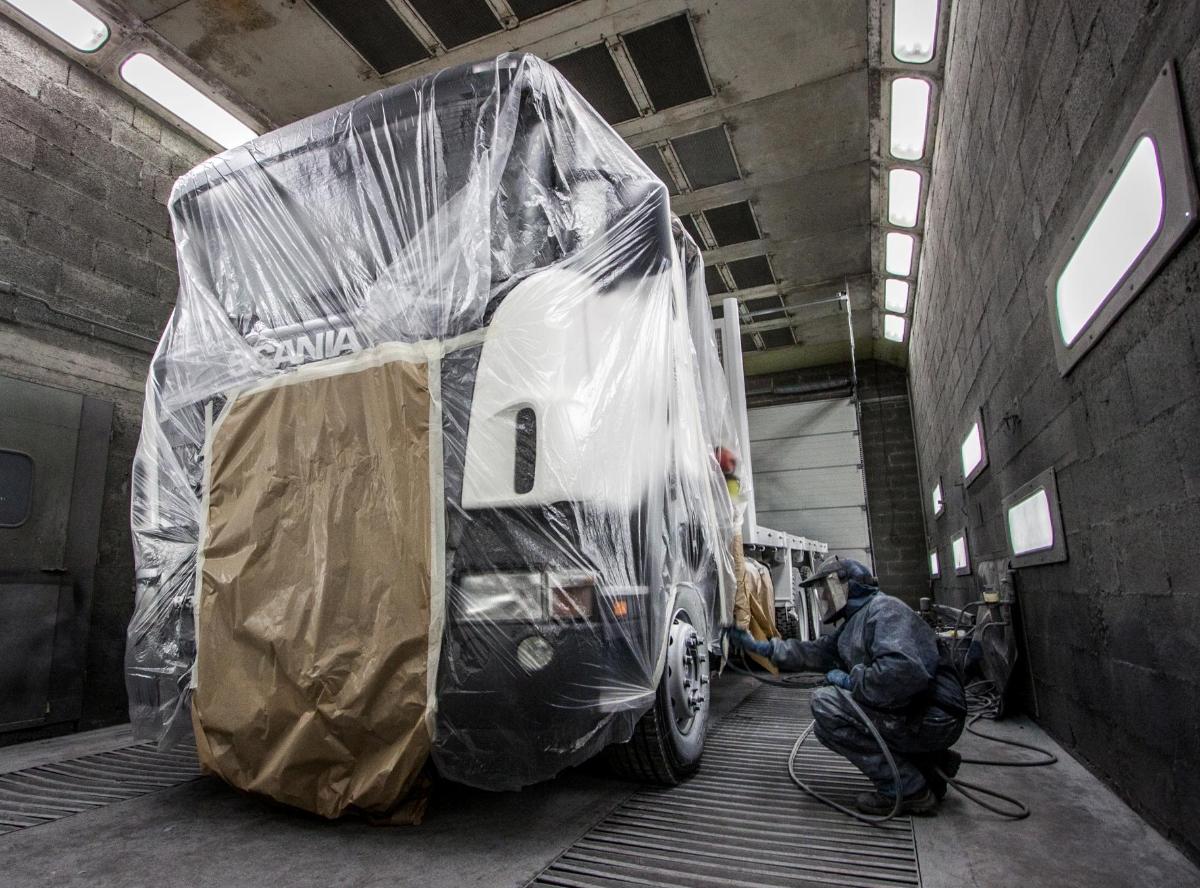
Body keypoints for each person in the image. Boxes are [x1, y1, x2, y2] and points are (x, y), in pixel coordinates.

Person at [726, 554, 966, 815]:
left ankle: (910, 790)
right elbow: (814, 652)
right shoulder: (858, 619)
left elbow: (901, 674)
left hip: (933, 716)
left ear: (844, 586)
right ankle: (925, 768)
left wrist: (850, 680)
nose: (824, 599)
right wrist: (762, 648)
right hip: (918, 712)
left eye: (826, 591)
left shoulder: (885, 611)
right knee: (825, 728)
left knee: (826, 703)